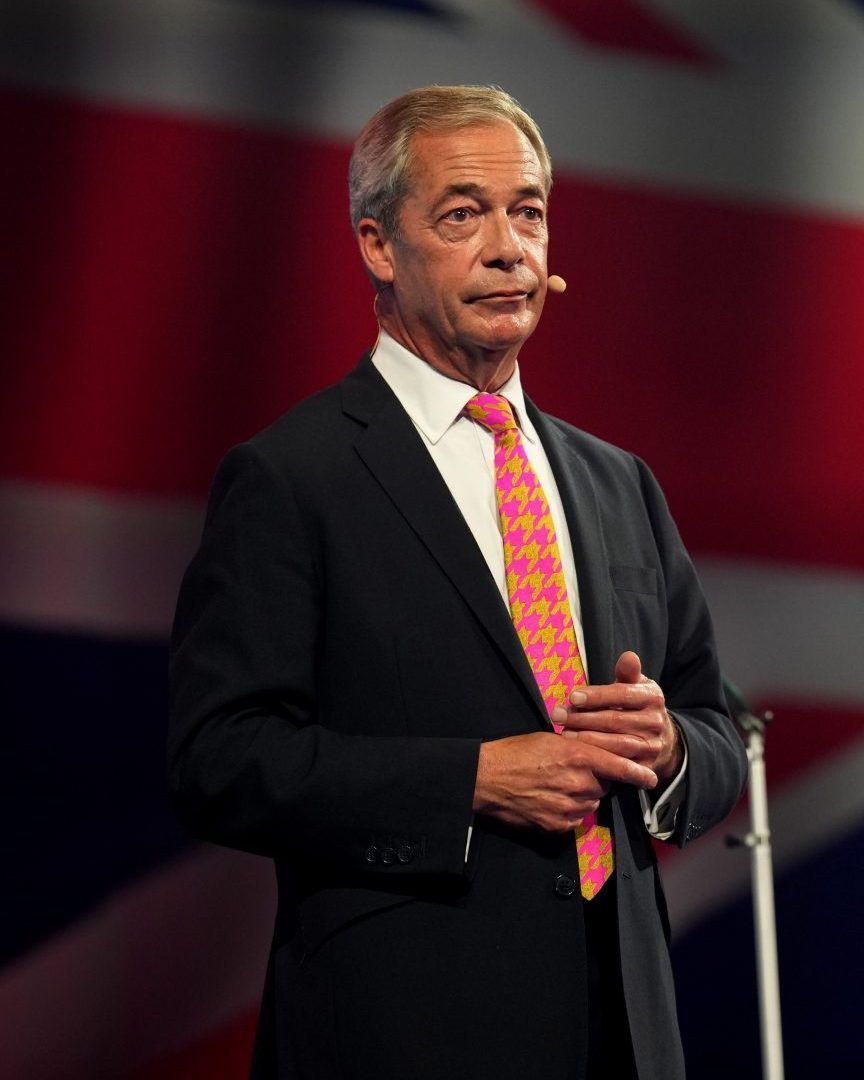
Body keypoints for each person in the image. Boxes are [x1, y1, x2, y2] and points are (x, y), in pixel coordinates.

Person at [168, 85, 746, 1080]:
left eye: (528, 212)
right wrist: (470, 781)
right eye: (462, 214)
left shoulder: (619, 483)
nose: (508, 246)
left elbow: (719, 727)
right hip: (404, 1032)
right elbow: (220, 759)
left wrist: (670, 750)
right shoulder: (292, 477)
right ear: (378, 247)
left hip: (623, 1031)